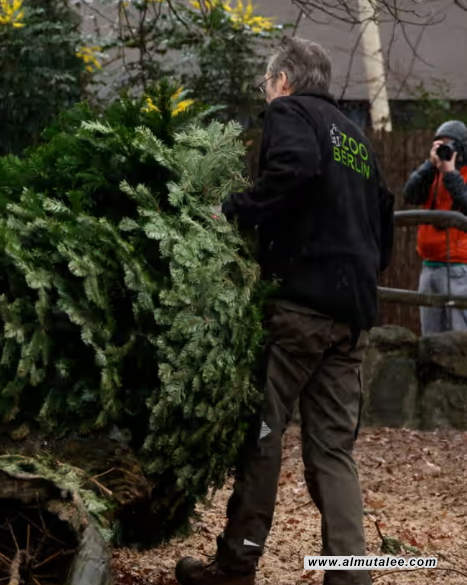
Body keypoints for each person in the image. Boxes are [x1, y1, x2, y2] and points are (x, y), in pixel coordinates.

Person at [176, 36, 395, 585]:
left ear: (283, 80)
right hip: (351, 316)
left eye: (266, 84)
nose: (266, 94)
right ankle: (350, 575)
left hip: (299, 308)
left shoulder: (290, 112)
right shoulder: (355, 137)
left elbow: (293, 167)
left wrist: (232, 210)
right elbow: (384, 213)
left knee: (263, 434)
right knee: (333, 451)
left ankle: (236, 565)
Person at [402, 120, 467, 334]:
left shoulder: (460, 175)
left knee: (460, 336)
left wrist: (451, 173)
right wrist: (429, 166)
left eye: (450, 145)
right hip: (430, 265)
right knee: (430, 338)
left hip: (460, 267)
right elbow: (410, 195)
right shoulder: (433, 173)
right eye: (440, 145)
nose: (445, 150)